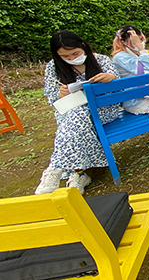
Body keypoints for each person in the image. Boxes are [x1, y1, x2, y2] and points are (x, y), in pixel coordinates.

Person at [36, 30, 121, 195]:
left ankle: (56, 169)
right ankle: (78, 174)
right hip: (71, 114)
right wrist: (59, 94)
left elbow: (119, 85)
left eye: (75, 53)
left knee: (77, 115)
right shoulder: (53, 68)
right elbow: (52, 100)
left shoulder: (101, 60)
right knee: (78, 115)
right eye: (65, 57)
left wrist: (110, 78)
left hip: (103, 111)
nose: (71, 58)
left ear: (83, 46)